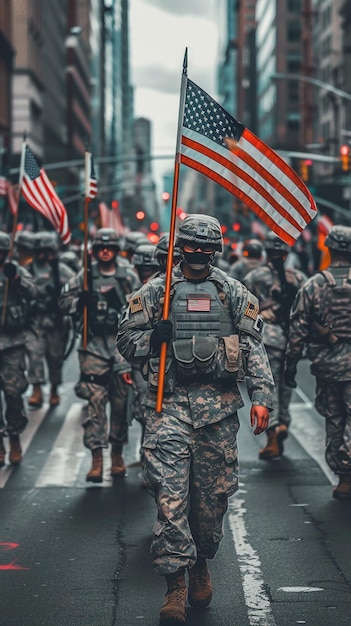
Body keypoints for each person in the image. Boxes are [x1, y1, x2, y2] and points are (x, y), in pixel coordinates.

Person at [117, 214, 274, 625]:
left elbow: (254, 345)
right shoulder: (157, 292)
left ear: (216, 249)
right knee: (170, 501)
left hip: (217, 412)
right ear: (181, 246)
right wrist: (154, 337)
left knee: (210, 505)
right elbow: (125, 340)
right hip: (166, 407)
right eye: (192, 245)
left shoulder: (232, 293)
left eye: (207, 247)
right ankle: (175, 586)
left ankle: (202, 559)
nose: (199, 253)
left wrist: (261, 396)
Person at [58, 227, 139, 483]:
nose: (105, 251)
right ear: (94, 251)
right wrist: (78, 302)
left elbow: (142, 304)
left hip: (120, 348)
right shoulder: (86, 275)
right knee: (94, 402)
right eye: (100, 248)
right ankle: (96, 457)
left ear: (116, 250)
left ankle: (117, 453)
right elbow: (62, 301)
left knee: (120, 401)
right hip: (92, 346)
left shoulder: (127, 276)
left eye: (110, 248)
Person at [285, 225, 351, 501]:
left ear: (329, 248)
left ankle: (344, 477)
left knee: (335, 419)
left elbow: (297, 330)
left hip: (326, 367)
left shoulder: (312, 286)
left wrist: (290, 368)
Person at [244, 232, 307, 460]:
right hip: (292, 339)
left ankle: (273, 435)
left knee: (268, 387)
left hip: (267, 339)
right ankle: (283, 424)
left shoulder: (256, 276)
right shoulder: (299, 278)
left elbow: (244, 306)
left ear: (266, 251)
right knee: (286, 386)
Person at [0, 232, 38, 466]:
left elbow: (33, 292)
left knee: (13, 393)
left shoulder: (14, 271)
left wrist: (16, 279)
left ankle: (14, 436)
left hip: (12, 342)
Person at [26, 231, 75, 407]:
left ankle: (54, 388)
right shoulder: (29, 269)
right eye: (38, 250)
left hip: (56, 322)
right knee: (34, 355)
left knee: (55, 358)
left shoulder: (59, 269)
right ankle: (36, 389)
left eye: (45, 250)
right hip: (35, 322)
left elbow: (74, 286)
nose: (41, 254)